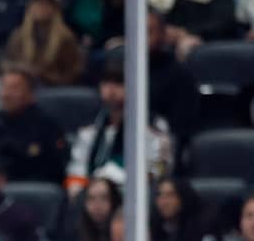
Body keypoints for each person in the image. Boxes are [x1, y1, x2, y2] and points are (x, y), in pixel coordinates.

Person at [64, 60, 173, 195]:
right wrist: (78, 194)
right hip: (95, 197)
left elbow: (159, 167)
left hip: (136, 196)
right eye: (106, 83)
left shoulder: (152, 125)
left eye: (118, 83)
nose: (111, 89)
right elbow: (77, 169)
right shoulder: (90, 128)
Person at [0, 67, 69, 184]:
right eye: (4, 87)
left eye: (14, 88)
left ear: (31, 95)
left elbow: (56, 168)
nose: (6, 94)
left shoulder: (47, 126)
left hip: (33, 190)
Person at [3, 0, 84, 88]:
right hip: (22, 88)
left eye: (47, 3)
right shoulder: (18, 35)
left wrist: (45, 75)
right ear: (30, 6)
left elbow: (73, 72)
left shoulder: (66, 38)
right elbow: (7, 63)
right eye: (38, 2)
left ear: (56, 8)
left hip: (54, 89)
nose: (42, 6)